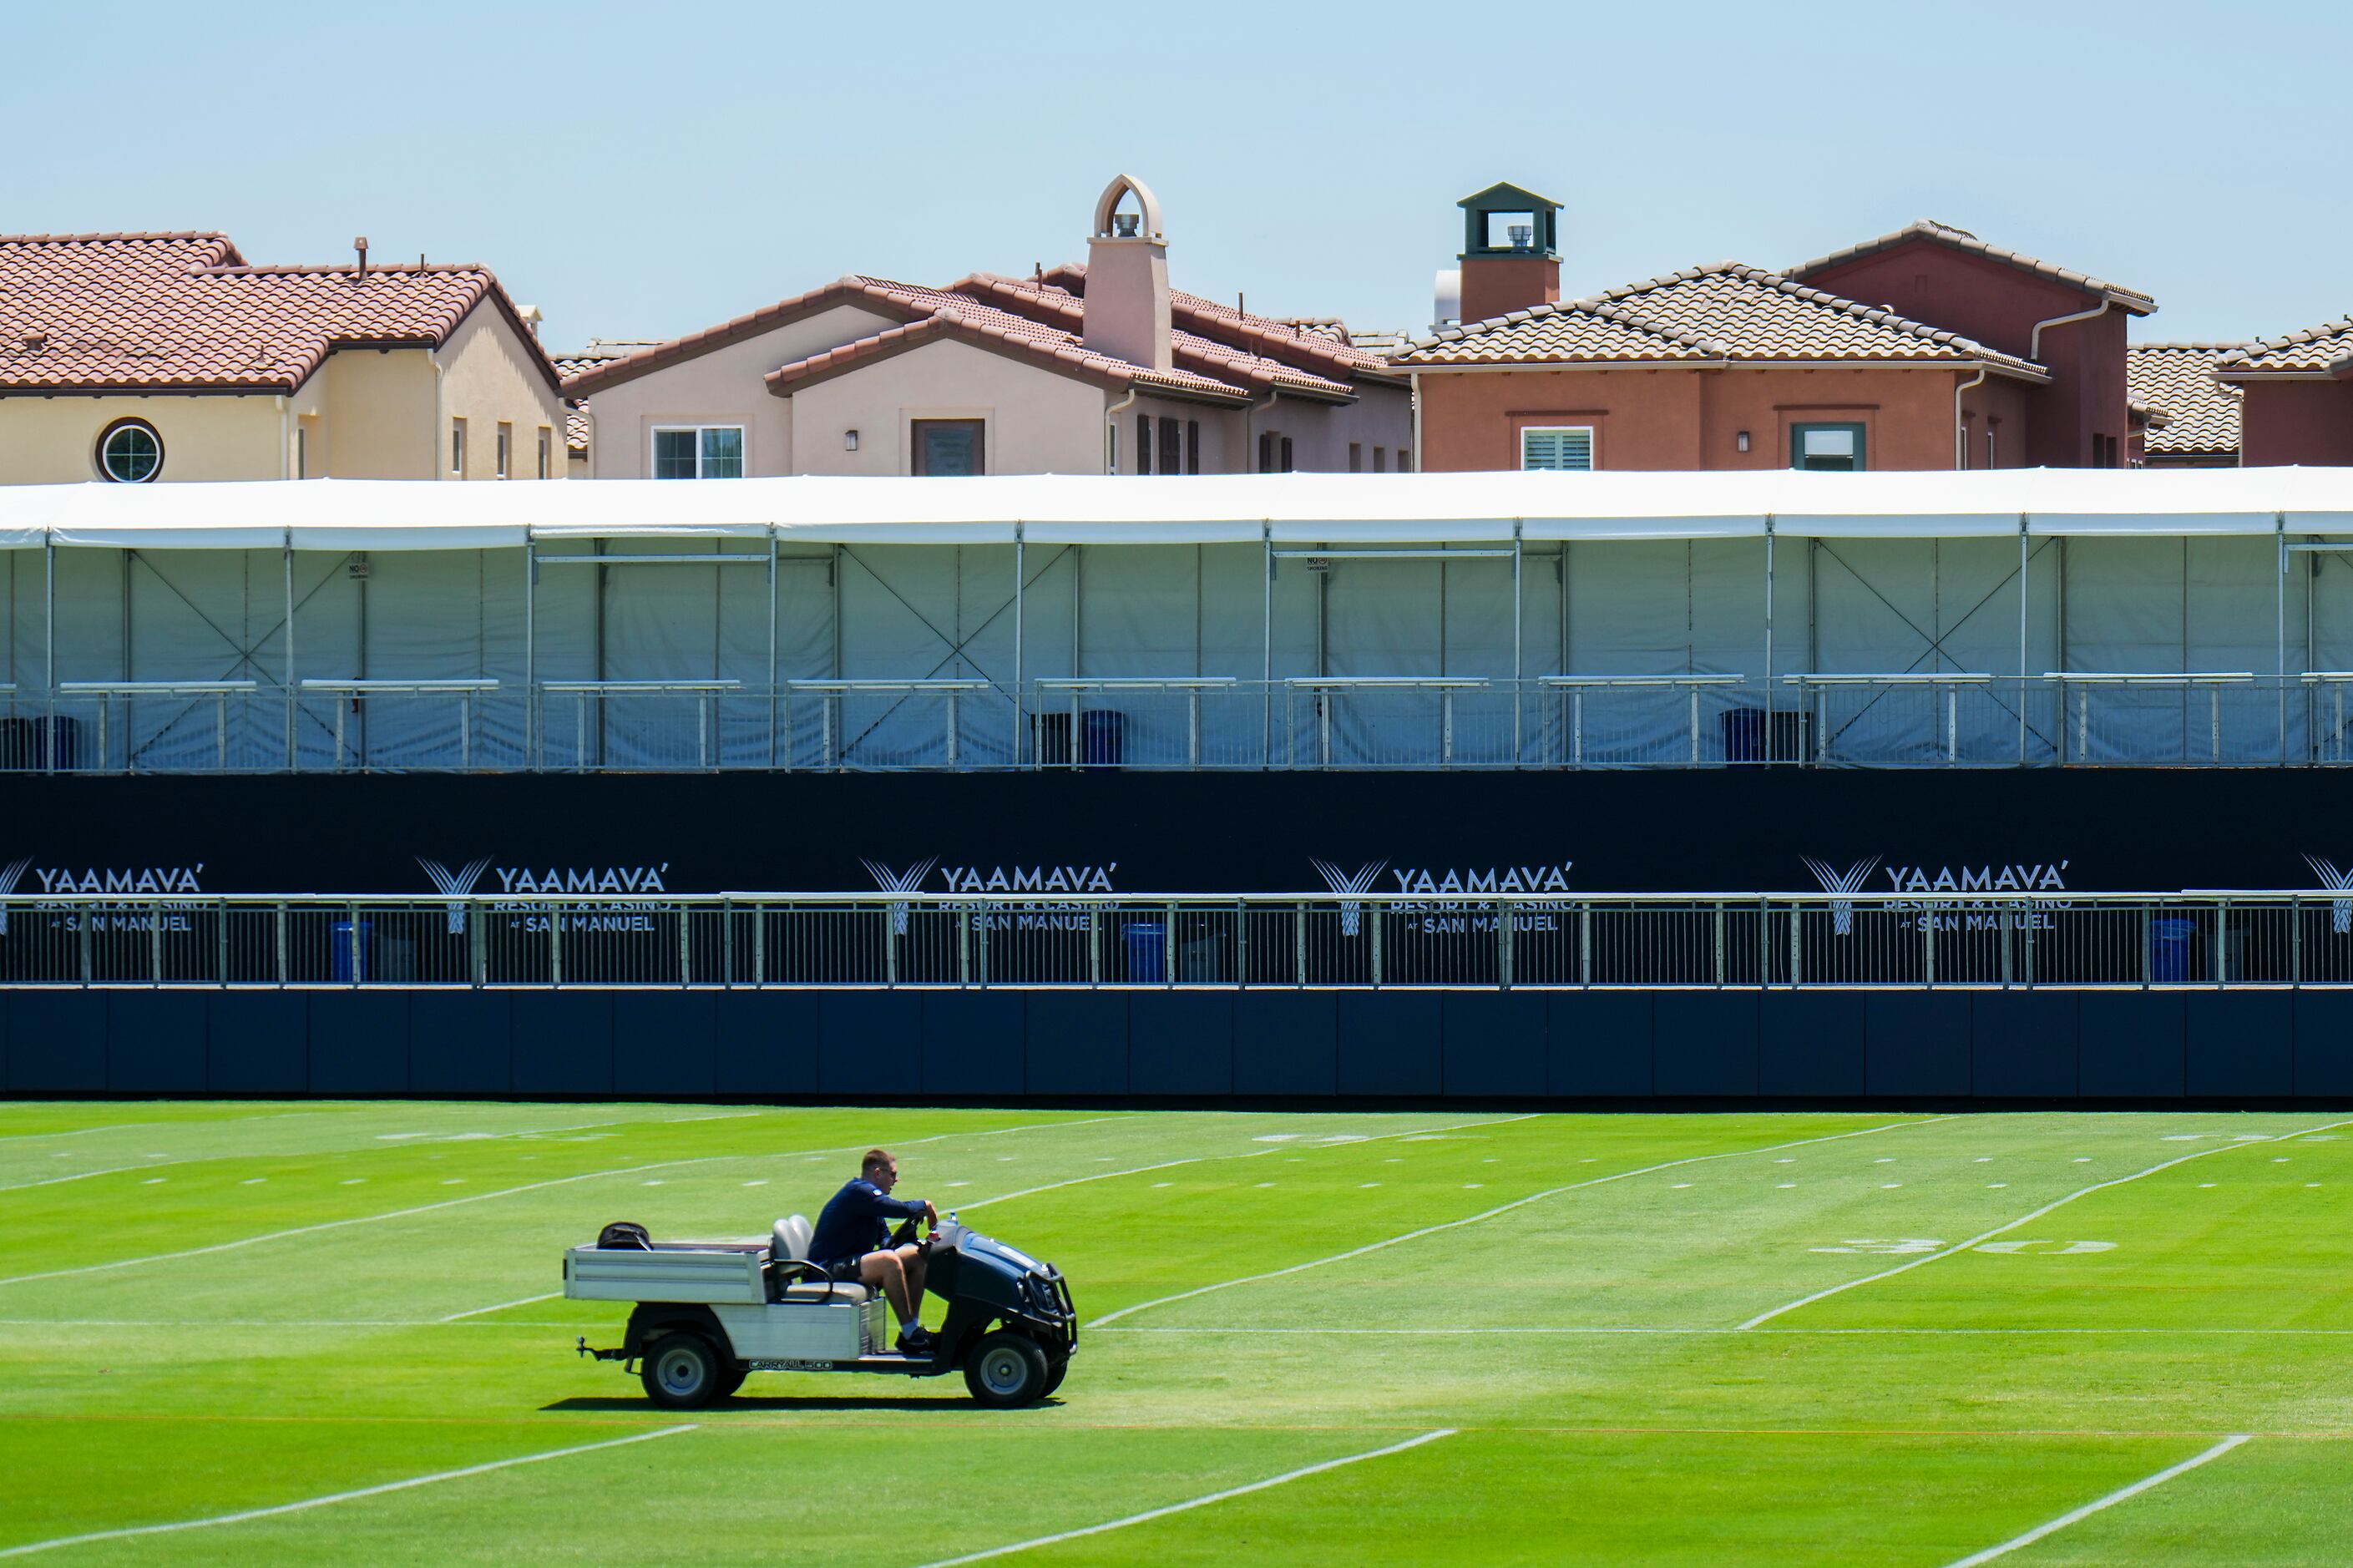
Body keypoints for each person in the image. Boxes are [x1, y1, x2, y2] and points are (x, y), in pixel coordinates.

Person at [808, 1147, 939, 1355]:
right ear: (878, 1173)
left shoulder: (869, 1201)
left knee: (915, 1257)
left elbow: (885, 1238)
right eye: (893, 1174)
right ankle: (911, 1332)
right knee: (888, 1261)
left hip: (848, 1263)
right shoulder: (859, 1192)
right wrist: (926, 1205)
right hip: (827, 1268)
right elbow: (901, 1209)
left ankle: (912, 1333)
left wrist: (907, 1242)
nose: (896, 1180)